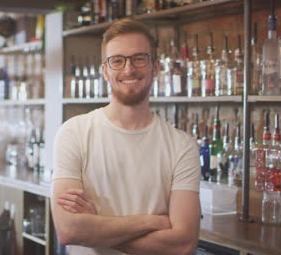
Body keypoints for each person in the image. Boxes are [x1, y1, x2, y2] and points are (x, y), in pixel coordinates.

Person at [51, 18, 201, 255]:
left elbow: (182, 244)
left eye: (139, 58)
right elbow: (69, 230)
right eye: (117, 61)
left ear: (155, 67)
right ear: (105, 71)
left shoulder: (181, 146)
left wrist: (95, 228)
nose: (129, 69)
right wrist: (152, 221)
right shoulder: (73, 133)